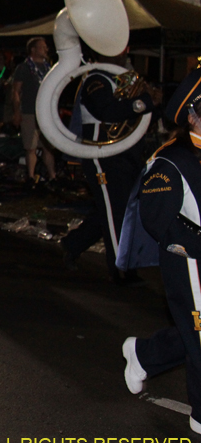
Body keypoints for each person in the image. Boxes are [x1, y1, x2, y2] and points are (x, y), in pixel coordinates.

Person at [119, 66, 201, 435]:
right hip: (190, 260)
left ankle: (143, 355)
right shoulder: (172, 161)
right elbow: (156, 220)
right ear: (193, 113)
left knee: (193, 332)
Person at [60, 55, 158, 284]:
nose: (123, 51)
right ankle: (121, 268)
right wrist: (142, 102)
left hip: (125, 154)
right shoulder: (96, 79)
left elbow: (136, 115)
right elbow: (108, 111)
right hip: (102, 154)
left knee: (116, 208)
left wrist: (153, 103)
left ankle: (73, 243)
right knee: (117, 213)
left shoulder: (123, 79)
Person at [13, 37, 58, 186]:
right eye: (42, 47)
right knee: (31, 146)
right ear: (33, 49)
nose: (46, 49)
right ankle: (31, 177)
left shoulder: (48, 67)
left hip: (46, 113)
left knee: (48, 146)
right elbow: (16, 91)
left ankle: (53, 176)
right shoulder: (24, 68)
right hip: (29, 112)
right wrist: (17, 111)